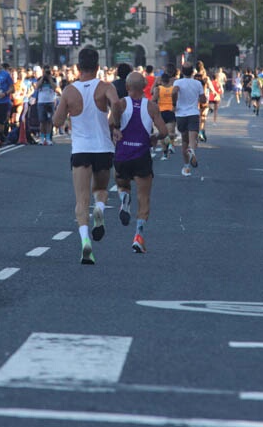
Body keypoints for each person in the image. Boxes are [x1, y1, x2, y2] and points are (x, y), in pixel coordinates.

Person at [52, 48, 119, 266]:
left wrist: (65, 111)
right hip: (103, 148)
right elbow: (116, 104)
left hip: (81, 149)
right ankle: (99, 210)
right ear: (98, 67)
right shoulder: (105, 87)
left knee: (81, 200)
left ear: (78, 68)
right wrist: (114, 123)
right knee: (100, 191)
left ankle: (84, 242)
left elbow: (56, 121)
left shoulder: (69, 91)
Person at [110, 72, 170, 254]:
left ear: (127, 88)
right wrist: (155, 137)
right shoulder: (151, 107)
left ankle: (123, 198)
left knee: (122, 184)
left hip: (122, 156)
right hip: (142, 156)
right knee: (143, 199)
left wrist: (116, 131)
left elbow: (110, 124)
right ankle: (138, 237)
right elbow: (164, 131)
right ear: (144, 87)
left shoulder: (120, 104)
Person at [172, 64, 206, 177]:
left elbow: (173, 92)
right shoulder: (197, 83)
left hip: (180, 114)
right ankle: (192, 150)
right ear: (192, 72)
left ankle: (186, 166)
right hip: (193, 113)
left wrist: (174, 103)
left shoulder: (178, 82)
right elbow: (203, 99)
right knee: (192, 139)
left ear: (182, 71)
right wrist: (201, 100)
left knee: (184, 141)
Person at [153, 70, 176, 160]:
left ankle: (165, 152)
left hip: (161, 113)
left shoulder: (158, 89)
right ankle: (170, 144)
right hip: (170, 112)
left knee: (162, 134)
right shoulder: (173, 88)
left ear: (161, 80)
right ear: (169, 80)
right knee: (171, 133)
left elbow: (154, 99)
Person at [35, 68, 59, 145]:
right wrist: (43, 78)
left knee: (49, 121)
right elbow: (37, 87)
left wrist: (49, 78)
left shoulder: (54, 79)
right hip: (41, 102)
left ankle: (48, 138)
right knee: (42, 121)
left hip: (50, 102)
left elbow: (55, 88)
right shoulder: (39, 79)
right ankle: (42, 138)